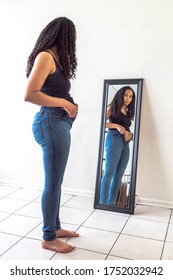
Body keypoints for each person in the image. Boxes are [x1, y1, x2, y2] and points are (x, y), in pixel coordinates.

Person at [24, 17, 79, 253]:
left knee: (57, 182)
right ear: (64, 35)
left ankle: (55, 227)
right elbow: (30, 94)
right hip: (50, 122)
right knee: (52, 184)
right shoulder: (45, 56)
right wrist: (64, 104)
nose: (75, 41)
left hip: (58, 123)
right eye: (73, 36)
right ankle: (48, 237)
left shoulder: (55, 59)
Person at [99, 86, 135, 205]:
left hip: (125, 142)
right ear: (120, 95)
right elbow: (101, 123)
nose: (128, 98)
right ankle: (103, 203)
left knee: (119, 176)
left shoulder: (128, 110)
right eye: (126, 95)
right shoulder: (113, 107)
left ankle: (111, 204)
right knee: (109, 172)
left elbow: (126, 127)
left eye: (130, 96)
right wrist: (116, 126)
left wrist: (130, 134)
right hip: (114, 139)